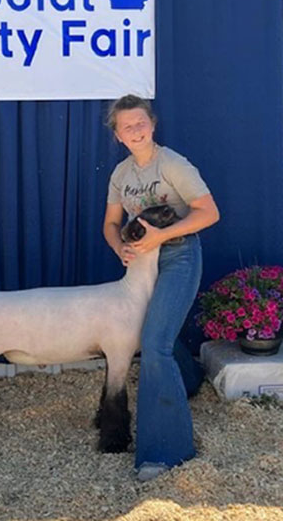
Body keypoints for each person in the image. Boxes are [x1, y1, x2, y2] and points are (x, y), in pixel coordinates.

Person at [103, 94, 219, 481]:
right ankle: (189, 379)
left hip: (179, 256)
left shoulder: (173, 164)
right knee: (153, 334)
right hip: (142, 261)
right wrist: (121, 246)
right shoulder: (121, 175)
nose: (135, 131)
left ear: (152, 125)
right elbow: (110, 224)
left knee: (153, 343)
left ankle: (166, 452)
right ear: (118, 135)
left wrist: (161, 236)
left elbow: (209, 212)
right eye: (126, 127)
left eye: (140, 123)